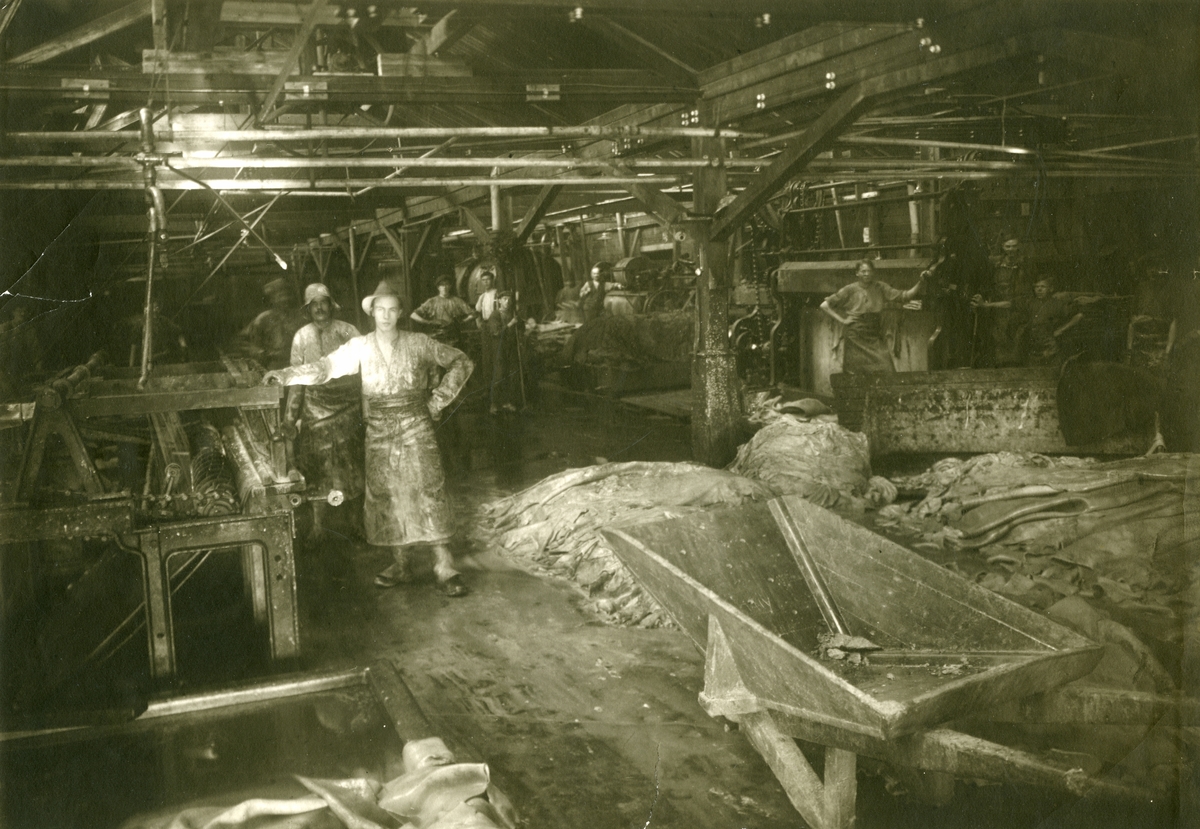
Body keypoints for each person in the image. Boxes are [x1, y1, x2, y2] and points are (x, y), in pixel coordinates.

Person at [263, 281, 474, 597]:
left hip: (416, 424)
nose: (386, 316)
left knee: (428, 489)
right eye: (380, 310)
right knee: (386, 494)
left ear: (400, 313)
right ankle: (401, 565)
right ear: (372, 313)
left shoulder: (419, 342)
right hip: (378, 427)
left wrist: (437, 401)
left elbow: (462, 361)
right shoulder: (359, 347)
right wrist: (286, 375)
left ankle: (444, 566)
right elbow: (324, 368)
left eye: (392, 310)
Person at [284, 283, 364, 539]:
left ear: (331, 305)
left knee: (352, 464)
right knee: (317, 466)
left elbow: (366, 370)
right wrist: (289, 418)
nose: (319, 308)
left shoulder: (348, 331)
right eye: (314, 304)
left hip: (348, 407)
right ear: (308, 309)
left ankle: (356, 522)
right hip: (315, 408)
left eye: (323, 302)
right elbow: (296, 378)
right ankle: (318, 526)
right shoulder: (301, 336)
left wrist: (368, 409)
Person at [820, 259, 926, 374]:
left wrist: (921, 282)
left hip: (874, 332)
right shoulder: (849, 289)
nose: (866, 274)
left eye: (869, 271)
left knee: (887, 368)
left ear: (873, 272)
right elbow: (824, 305)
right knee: (854, 372)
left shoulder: (880, 287)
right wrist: (842, 320)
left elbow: (904, 296)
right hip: (855, 334)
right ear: (857, 273)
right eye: (863, 271)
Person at [973, 235, 1030, 367]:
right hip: (998, 312)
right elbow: (987, 284)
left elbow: (1021, 297)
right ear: (1003, 247)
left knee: (1016, 342)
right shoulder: (995, 264)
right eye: (1008, 246)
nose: (1011, 250)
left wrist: (987, 305)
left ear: (1019, 247)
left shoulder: (1024, 265)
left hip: (1017, 311)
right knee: (997, 341)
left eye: (1014, 246)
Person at [234, 278, 307, 370]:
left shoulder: (301, 319)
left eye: (286, 295)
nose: (284, 299)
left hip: (298, 366)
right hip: (272, 366)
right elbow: (240, 341)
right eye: (280, 296)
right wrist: (258, 351)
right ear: (272, 299)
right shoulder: (263, 319)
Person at [1023, 277, 1082, 367]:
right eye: (1036, 287)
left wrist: (1061, 330)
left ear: (1051, 289)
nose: (1039, 289)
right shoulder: (1031, 303)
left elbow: (1079, 316)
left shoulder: (1058, 304)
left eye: (1043, 287)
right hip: (1034, 346)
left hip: (1051, 346)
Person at [484, 291, 524, 414]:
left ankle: (508, 401)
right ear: (499, 301)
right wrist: (511, 324)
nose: (507, 302)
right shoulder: (495, 315)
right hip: (499, 347)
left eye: (509, 299)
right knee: (499, 374)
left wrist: (519, 323)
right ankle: (494, 403)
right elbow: (496, 332)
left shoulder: (513, 314)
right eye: (504, 299)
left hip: (511, 347)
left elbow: (521, 328)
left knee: (512, 374)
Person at [411, 275, 476, 347]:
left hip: (453, 337)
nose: (444, 287)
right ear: (438, 287)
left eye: (446, 284)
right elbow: (413, 315)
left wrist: (462, 321)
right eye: (442, 285)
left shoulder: (457, 301)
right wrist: (428, 322)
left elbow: (473, 314)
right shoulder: (432, 301)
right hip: (437, 337)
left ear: (450, 286)